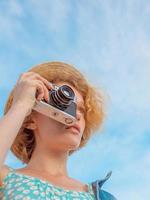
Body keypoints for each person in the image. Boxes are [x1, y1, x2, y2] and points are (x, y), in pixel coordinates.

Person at [0, 61, 117, 199]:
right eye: (66, 106)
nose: (77, 115)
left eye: (82, 110)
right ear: (30, 120)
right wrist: (21, 104)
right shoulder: (6, 179)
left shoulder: (100, 196)